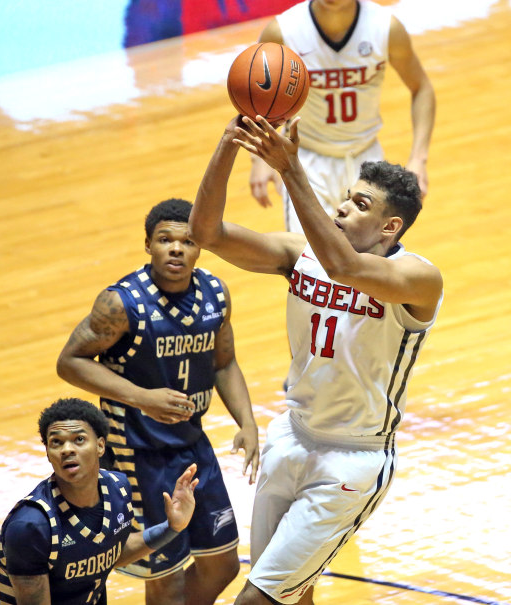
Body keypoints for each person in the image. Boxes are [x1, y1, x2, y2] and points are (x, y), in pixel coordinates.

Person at [188, 115, 443, 604]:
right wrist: (227, 144)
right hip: (292, 436)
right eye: (347, 196)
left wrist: (290, 170)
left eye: (360, 204)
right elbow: (207, 232)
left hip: (353, 460)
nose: (344, 206)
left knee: (257, 599)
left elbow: (344, 267)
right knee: (292, 595)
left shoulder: (417, 277)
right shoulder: (300, 253)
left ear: (391, 226)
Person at [56, 198, 259, 605]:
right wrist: (141, 397)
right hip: (137, 454)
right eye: (165, 239)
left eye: (187, 241)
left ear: (200, 246)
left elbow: (224, 363)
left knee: (223, 564)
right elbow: (69, 362)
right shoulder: (121, 303)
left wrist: (248, 422)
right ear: (148, 244)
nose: (176, 249)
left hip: (192, 445)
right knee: (164, 579)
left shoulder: (215, 293)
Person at [249, 0, 436, 232]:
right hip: (306, 161)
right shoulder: (282, 32)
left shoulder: (386, 28)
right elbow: (256, 96)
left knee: (371, 264)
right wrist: (259, 158)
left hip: (368, 162)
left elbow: (422, 88)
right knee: (307, 262)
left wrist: (419, 158)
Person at [0, 397, 198, 605]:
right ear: (48, 452)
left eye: (79, 440)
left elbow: (108, 550)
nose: (67, 450)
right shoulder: (32, 526)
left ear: (100, 446)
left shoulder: (118, 488)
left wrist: (173, 527)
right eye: (56, 442)